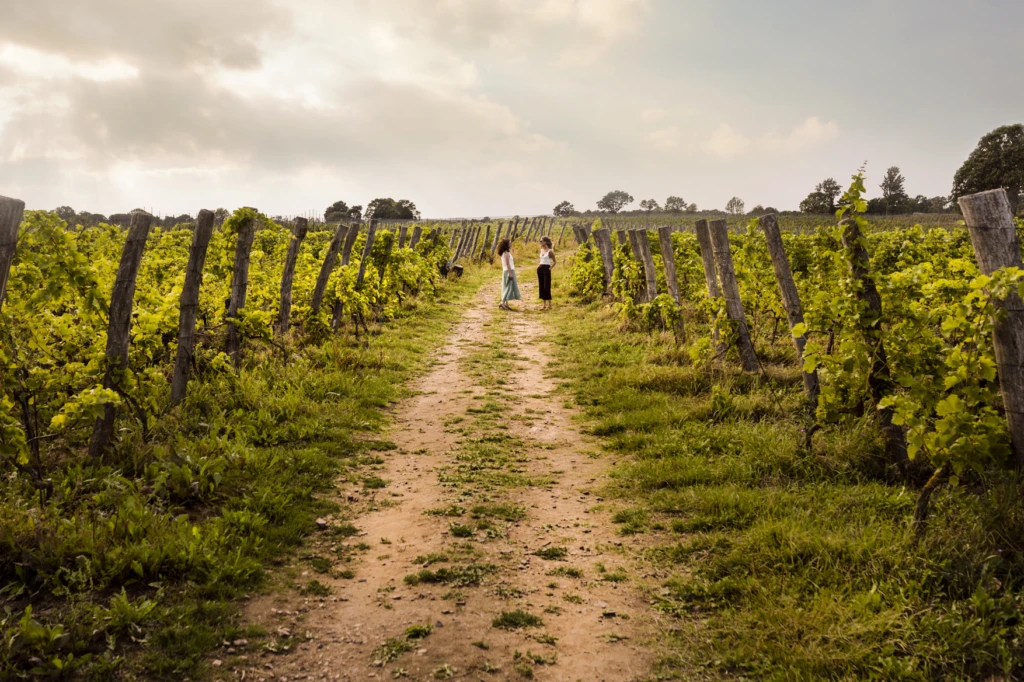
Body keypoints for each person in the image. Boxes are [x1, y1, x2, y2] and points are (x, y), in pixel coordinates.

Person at [497, 238, 521, 311]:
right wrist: (510, 273)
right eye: (509, 243)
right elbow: (508, 264)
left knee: (507, 286)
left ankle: (506, 303)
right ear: (506, 245)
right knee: (508, 287)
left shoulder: (505, 252)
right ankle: (502, 302)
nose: (511, 244)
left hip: (507, 271)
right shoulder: (506, 253)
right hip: (508, 271)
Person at [537, 236, 556, 310]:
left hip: (546, 268)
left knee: (547, 286)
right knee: (541, 286)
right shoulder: (541, 250)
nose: (540, 242)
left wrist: (550, 268)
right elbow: (541, 260)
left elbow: (555, 262)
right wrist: (538, 266)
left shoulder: (550, 251)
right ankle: (544, 305)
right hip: (540, 268)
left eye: (541, 241)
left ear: (545, 242)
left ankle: (549, 304)